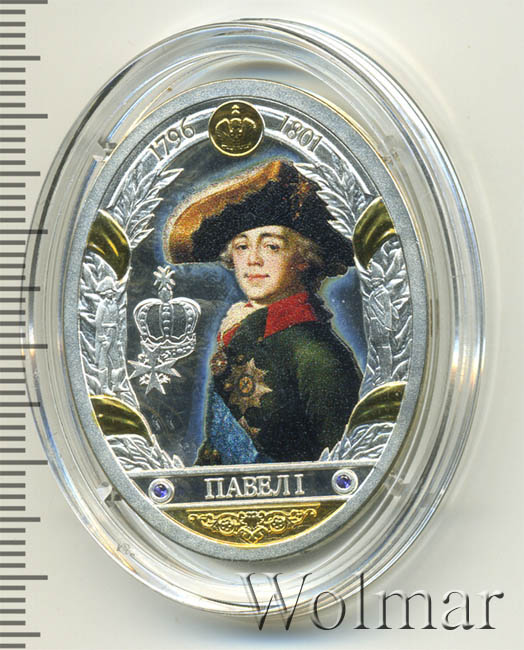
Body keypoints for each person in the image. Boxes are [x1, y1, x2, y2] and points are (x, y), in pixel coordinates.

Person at [165, 159, 362, 464]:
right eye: (242, 247)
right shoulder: (241, 332)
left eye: (271, 246)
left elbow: (342, 463)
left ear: (303, 258)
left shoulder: (317, 353)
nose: (253, 260)